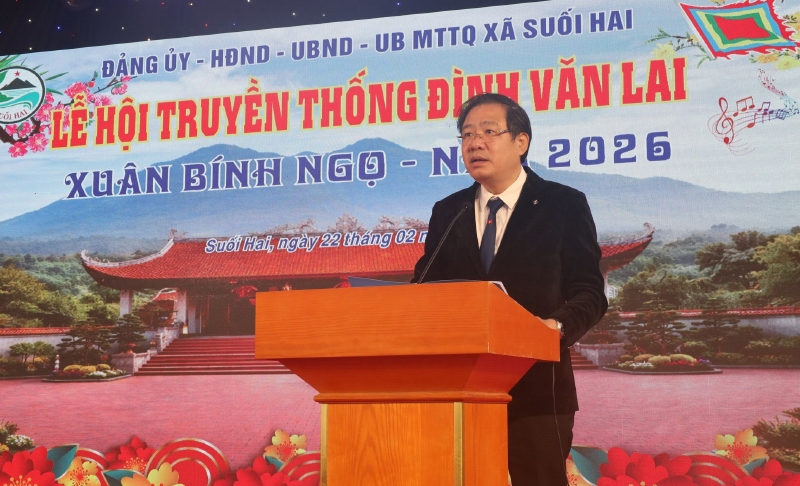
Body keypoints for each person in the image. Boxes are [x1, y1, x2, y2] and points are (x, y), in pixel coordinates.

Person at [412, 93, 607, 486]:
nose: (475, 143)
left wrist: (554, 327)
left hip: (537, 390)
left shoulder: (563, 204)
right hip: (460, 391)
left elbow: (589, 290)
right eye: (467, 135)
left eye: (488, 132)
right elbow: (425, 288)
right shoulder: (449, 211)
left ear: (521, 142)